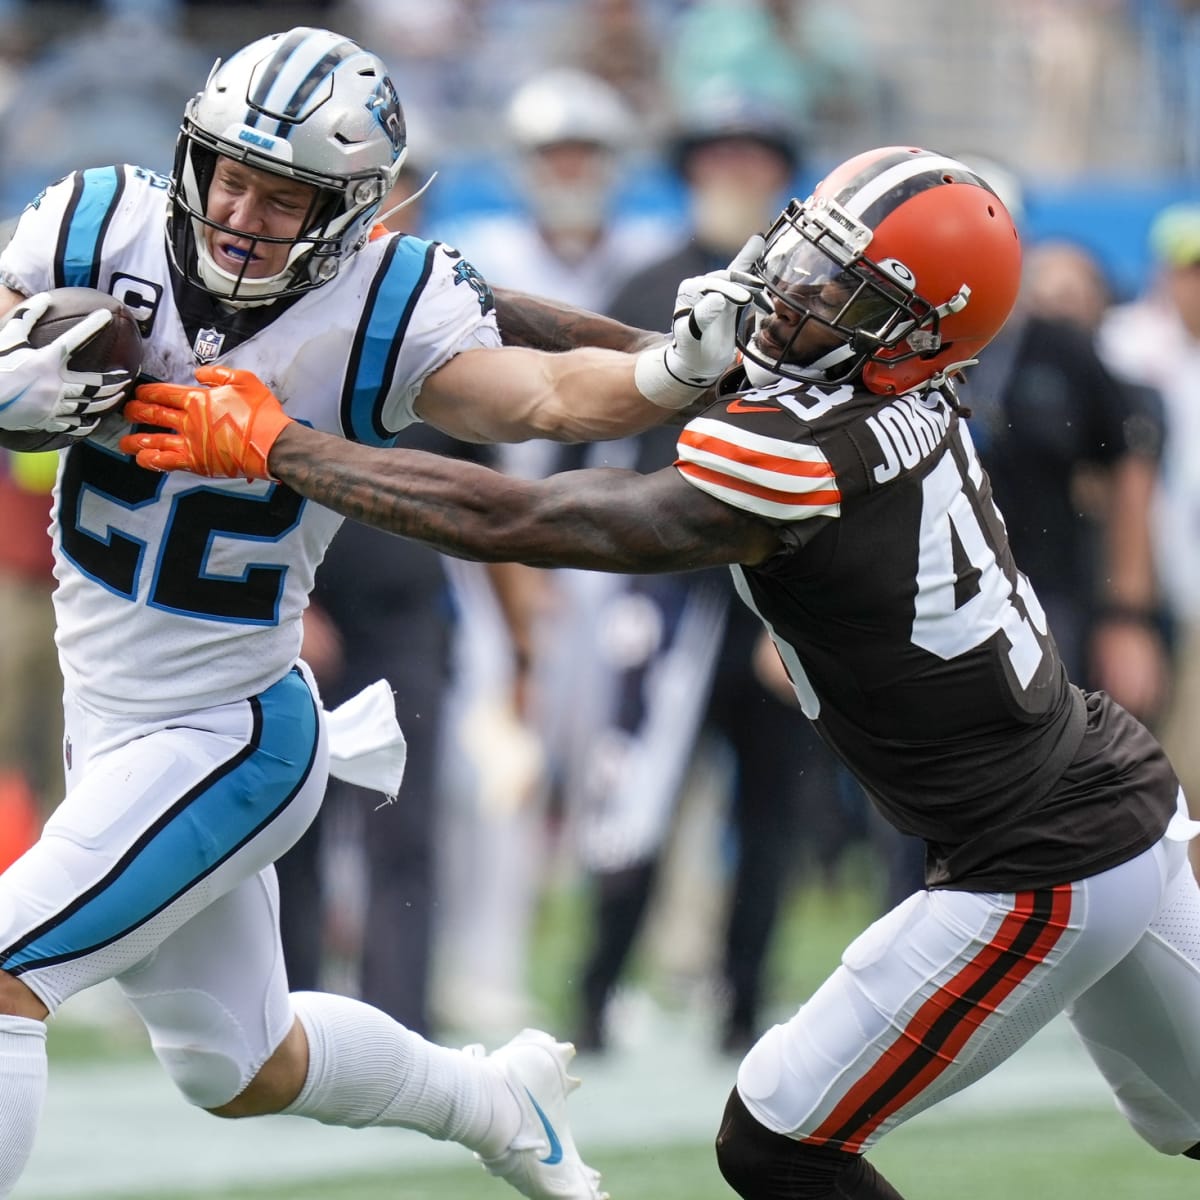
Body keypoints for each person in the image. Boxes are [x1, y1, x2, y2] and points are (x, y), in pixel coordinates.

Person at [127, 146, 1200, 1199]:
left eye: (847, 292)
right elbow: (654, 354)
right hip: (1116, 797)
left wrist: (281, 445)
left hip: (1035, 859)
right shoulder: (880, 385)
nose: (796, 297)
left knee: (780, 1146)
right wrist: (405, 289)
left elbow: (531, 517)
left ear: (913, 339)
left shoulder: (814, 447)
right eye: (807, 256)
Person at [0, 25, 758, 1200]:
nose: (244, 214)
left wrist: (663, 374)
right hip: (109, 710)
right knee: (240, 1064)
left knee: (5, 970)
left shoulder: (381, 304)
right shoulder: (97, 224)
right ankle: (496, 1102)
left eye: (285, 196)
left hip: (230, 730)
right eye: (232, 178)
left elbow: (548, 393)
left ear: (351, 211)